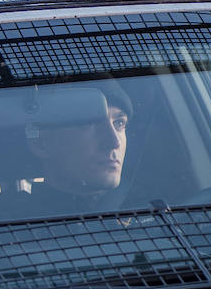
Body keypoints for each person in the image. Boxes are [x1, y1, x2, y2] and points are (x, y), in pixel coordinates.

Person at [23, 80, 131, 214]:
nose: (114, 142)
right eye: (90, 123)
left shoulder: (156, 210)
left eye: (119, 123)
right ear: (40, 144)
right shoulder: (7, 222)